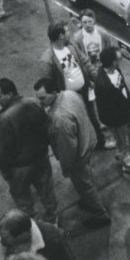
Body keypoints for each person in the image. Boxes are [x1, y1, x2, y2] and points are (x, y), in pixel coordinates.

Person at [34, 77, 111, 228]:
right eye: (38, 98)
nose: (40, 102)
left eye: (43, 98)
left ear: (54, 93)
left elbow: (67, 149)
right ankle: (89, 201)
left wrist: (66, 168)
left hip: (78, 156)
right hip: (88, 140)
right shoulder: (70, 94)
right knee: (87, 180)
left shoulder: (60, 118)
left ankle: (100, 215)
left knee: (84, 185)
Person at [0, 78, 58, 224]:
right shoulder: (34, 103)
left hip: (20, 167)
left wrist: (5, 170)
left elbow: (4, 149)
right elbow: (47, 127)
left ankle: (33, 225)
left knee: (23, 199)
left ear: (9, 94)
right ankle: (53, 219)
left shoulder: (4, 119)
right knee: (47, 191)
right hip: (41, 157)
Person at [40, 20, 109, 150]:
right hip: (69, 98)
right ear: (61, 36)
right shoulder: (47, 60)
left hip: (84, 89)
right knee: (78, 122)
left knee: (92, 116)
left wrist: (97, 79)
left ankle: (101, 142)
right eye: (67, 31)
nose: (69, 33)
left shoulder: (71, 46)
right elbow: (47, 84)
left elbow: (85, 61)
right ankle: (85, 148)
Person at [93, 47, 130, 182]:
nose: (120, 60)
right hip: (116, 119)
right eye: (118, 58)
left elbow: (123, 88)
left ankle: (126, 155)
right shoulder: (104, 84)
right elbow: (110, 107)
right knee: (123, 143)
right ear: (112, 62)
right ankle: (127, 168)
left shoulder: (116, 70)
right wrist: (128, 109)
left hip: (126, 111)